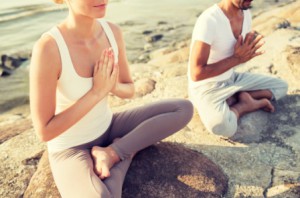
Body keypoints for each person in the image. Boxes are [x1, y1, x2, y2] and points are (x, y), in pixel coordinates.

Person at [29, 0, 193, 197]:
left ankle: (114, 153)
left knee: (183, 109)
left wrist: (112, 86)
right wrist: (97, 92)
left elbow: (129, 89)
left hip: (109, 126)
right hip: (71, 147)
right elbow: (45, 132)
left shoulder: (112, 32)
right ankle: (127, 153)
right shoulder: (49, 48)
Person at [188, 0, 288, 137]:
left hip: (231, 78)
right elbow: (196, 73)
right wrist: (238, 59)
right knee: (221, 128)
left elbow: (238, 52)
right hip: (207, 86)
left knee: (281, 87)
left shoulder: (245, 13)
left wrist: (249, 48)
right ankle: (242, 106)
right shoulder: (209, 21)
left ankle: (234, 98)